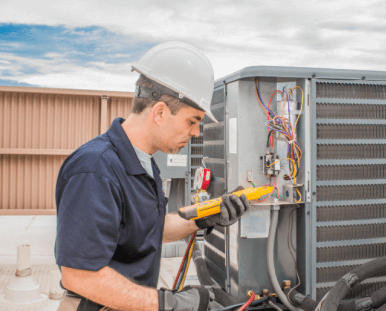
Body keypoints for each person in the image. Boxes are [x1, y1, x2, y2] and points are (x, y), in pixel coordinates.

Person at [55, 42, 250, 311]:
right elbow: (79, 275)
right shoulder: (96, 169)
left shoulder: (143, 164)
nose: (195, 133)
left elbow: (149, 231)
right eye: (192, 121)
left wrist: (205, 217)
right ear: (159, 112)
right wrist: (170, 304)